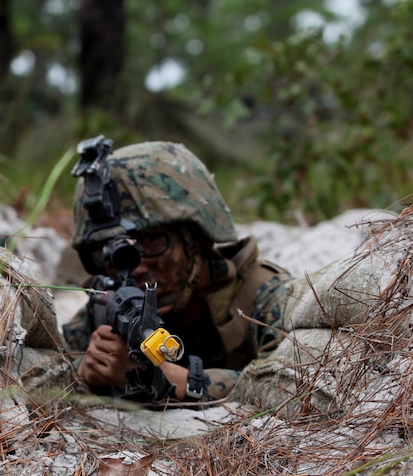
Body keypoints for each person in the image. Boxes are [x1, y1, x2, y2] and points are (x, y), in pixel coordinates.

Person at [61, 140, 291, 403]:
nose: (136, 266)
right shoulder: (112, 307)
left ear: (199, 239)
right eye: (112, 250)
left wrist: (177, 380)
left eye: (150, 240)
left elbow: (297, 383)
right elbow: (35, 370)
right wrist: (85, 369)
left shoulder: (267, 297)